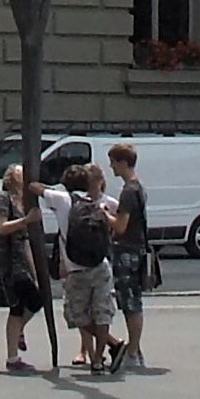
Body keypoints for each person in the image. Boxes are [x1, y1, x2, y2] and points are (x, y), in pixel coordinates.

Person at [59, 163, 125, 374]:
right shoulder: (102, 206)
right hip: (100, 263)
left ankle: (105, 350)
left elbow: (39, 189)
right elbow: (122, 226)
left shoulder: (66, 201)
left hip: (78, 266)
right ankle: (98, 356)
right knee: (101, 311)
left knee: (77, 313)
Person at [0, 163, 43, 373]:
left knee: (29, 302)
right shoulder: (3, 199)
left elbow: (26, 239)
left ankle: (15, 345)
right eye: (21, 175)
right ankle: (13, 353)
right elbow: (2, 228)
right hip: (8, 261)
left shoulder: (21, 202)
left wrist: (34, 270)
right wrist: (26, 220)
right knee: (21, 304)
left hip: (20, 260)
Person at [106, 141, 151, 371]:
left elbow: (121, 226)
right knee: (132, 301)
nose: (111, 168)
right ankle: (135, 349)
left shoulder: (128, 191)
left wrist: (106, 216)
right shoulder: (138, 187)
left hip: (127, 251)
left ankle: (132, 351)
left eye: (113, 162)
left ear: (123, 163)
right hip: (137, 249)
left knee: (130, 302)